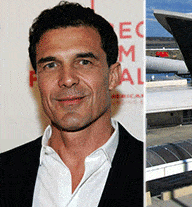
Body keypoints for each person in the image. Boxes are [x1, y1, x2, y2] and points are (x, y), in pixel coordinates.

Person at [0, 2, 143, 206]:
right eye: (51, 65)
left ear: (113, 76)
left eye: (84, 62)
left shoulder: (144, 168)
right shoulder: (5, 172)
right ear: (37, 79)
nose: (67, 79)